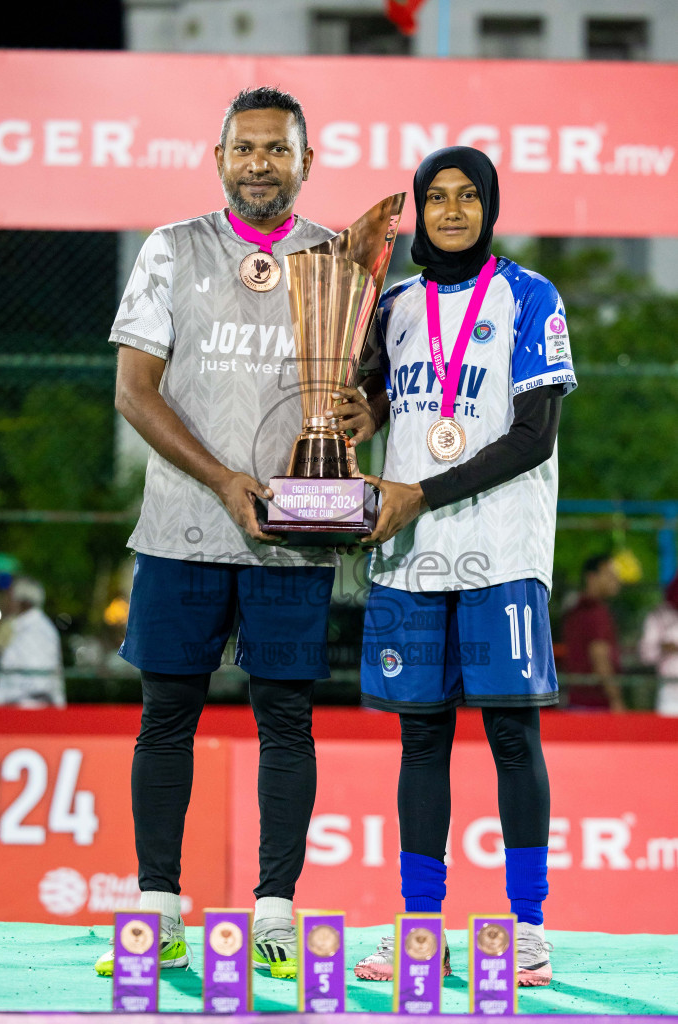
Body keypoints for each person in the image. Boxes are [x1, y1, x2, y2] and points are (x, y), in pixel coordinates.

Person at [94, 86, 373, 981]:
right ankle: (156, 910)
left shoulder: (337, 263)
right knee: (164, 716)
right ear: (219, 159)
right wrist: (221, 480)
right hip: (181, 526)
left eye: (276, 150)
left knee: (286, 720)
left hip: (292, 534)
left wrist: (355, 417)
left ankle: (275, 917)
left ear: (305, 162)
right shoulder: (173, 250)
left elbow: (353, 397)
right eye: (244, 148)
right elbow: (133, 392)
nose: (260, 163)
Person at [331, 146, 577, 987]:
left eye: (466, 196)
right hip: (406, 559)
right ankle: (420, 928)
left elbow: (532, 436)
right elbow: (372, 403)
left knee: (512, 737)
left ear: (489, 205)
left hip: (501, 550)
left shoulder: (529, 297)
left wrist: (418, 491)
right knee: (421, 743)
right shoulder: (392, 305)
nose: (449, 210)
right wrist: (353, 414)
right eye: (433, 197)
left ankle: (528, 926)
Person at [562, 554, 626, 711]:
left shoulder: (574, 610)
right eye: (609, 575)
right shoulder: (596, 613)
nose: (615, 580)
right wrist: (616, 699)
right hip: (597, 706)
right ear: (592, 577)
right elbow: (600, 657)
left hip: (575, 701)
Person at [0, 577, 65, 708]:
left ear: (22, 602)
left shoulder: (26, 629)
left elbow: (10, 669)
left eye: (12, 598)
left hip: (21, 707)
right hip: (37, 705)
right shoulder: (47, 628)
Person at [639, 572, 678, 716]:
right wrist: (664, 647)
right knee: (668, 736)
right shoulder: (660, 616)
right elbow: (646, 655)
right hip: (670, 692)